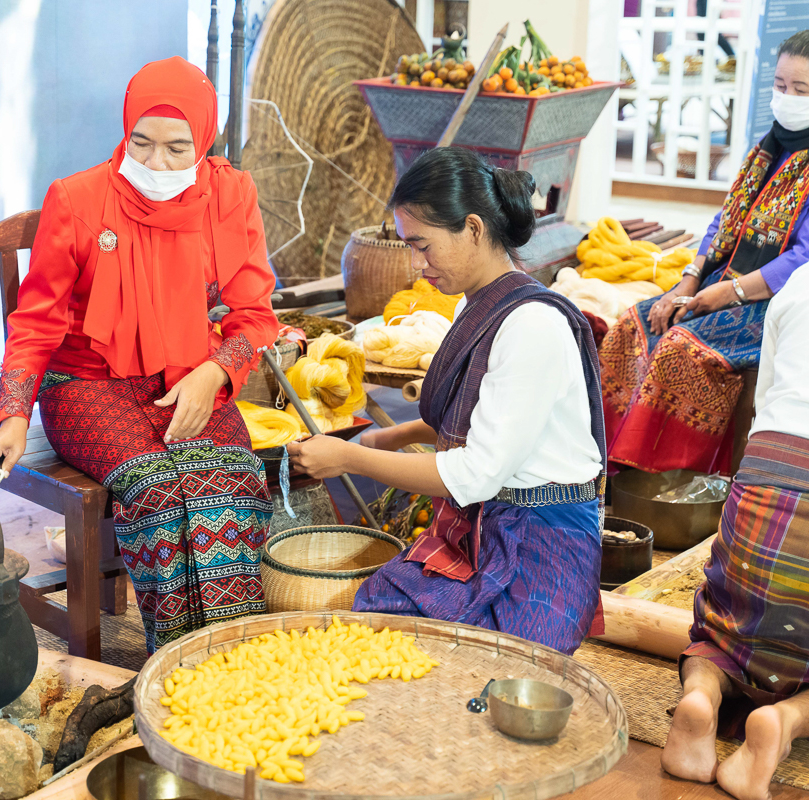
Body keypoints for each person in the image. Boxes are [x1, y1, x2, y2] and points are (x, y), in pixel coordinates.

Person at [0, 57, 279, 654]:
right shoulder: (78, 199)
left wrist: (215, 373)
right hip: (85, 385)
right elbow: (36, 323)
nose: (155, 164)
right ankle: (176, 664)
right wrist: (14, 417)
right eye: (140, 143)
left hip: (191, 375)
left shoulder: (231, 195)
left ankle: (233, 659)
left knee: (234, 479)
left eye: (176, 148)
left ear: (205, 137)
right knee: (157, 487)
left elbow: (256, 318)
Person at [288, 147, 606, 656]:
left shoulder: (531, 325)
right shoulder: (480, 304)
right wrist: (400, 433)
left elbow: (477, 472)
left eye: (423, 246)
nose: (416, 265)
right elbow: (486, 420)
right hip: (487, 523)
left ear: (475, 229)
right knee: (375, 616)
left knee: (481, 667)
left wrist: (348, 457)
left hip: (539, 543)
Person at [600, 31, 809, 475]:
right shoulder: (766, 148)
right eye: (780, 85)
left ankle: (673, 481)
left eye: (801, 90)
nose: (786, 98)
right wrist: (688, 281)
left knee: (682, 347)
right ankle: (608, 468)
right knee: (635, 324)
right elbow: (724, 222)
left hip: (776, 302)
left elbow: (801, 258)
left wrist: (727, 294)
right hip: (721, 282)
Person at [661, 264, 809, 800]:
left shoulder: (801, 282)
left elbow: (765, 401)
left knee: (723, 624)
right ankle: (786, 720)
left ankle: (702, 696)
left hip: (765, 475)